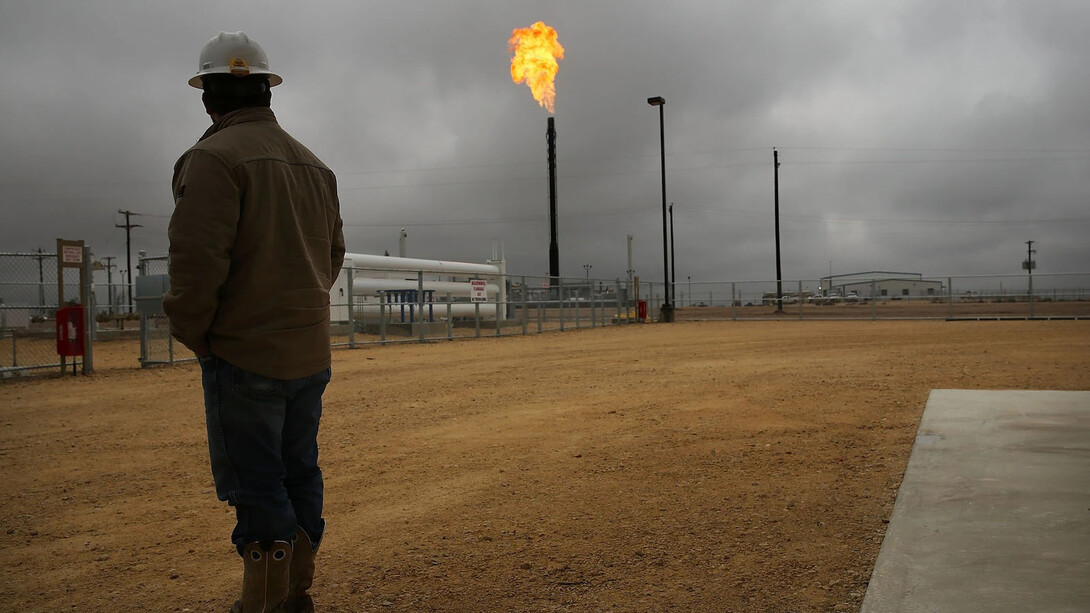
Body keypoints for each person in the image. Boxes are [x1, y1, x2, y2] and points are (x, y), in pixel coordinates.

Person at [163, 31, 345, 612]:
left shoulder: (212, 159)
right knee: (299, 469)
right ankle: (295, 591)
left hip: (244, 354)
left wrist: (198, 334)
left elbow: (196, 263)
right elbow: (332, 255)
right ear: (268, 89)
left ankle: (264, 602)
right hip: (309, 352)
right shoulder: (315, 166)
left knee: (257, 479)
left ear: (207, 96)